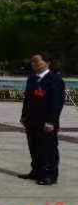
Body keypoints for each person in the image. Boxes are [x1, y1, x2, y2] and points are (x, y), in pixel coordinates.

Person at [19, 53, 66, 186]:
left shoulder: (55, 79)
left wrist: (51, 121)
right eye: (32, 62)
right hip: (32, 119)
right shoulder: (32, 78)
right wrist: (24, 115)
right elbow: (27, 99)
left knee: (49, 148)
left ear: (47, 63)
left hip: (47, 121)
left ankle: (50, 174)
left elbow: (57, 102)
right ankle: (36, 171)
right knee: (34, 146)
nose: (34, 64)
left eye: (37, 62)